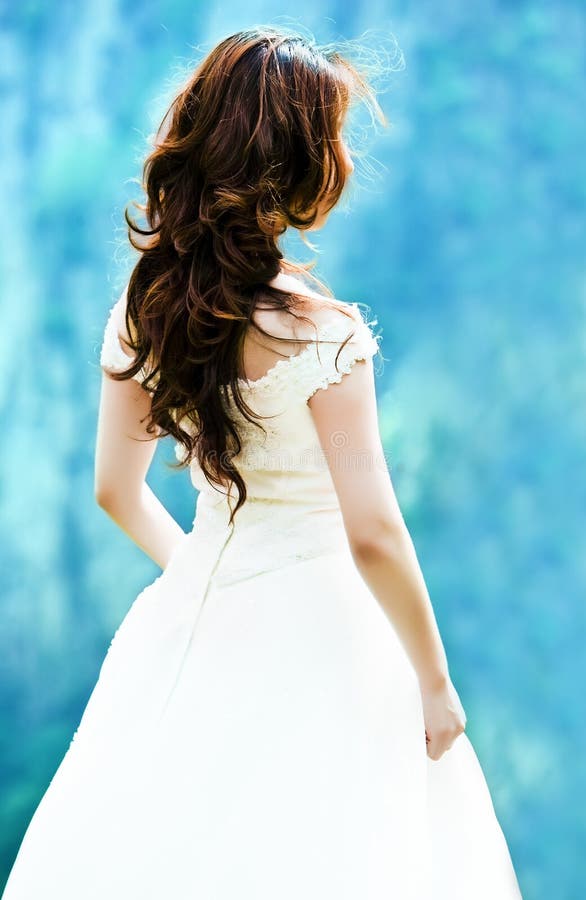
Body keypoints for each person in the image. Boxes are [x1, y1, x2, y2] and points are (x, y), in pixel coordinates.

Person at [2, 26, 523, 900]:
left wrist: (210, 576)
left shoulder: (148, 309)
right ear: (303, 163)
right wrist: (436, 684)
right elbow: (375, 532)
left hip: (190, 619)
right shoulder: (326, 337)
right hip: (330, 635)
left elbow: (112, 490)